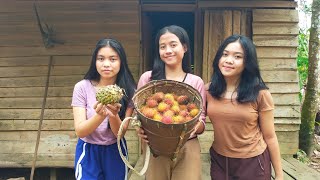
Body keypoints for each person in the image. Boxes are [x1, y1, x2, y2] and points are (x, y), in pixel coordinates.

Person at [206, 34, 283, 180]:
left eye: (237, 56)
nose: (229, 60)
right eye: (225, 54)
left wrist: (279, 174)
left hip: (253, 162)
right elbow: (191, 118)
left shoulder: (260, 94)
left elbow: (270, 136)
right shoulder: (208, 91)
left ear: (247, 62)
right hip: (220, 161)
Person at [136, 25, 206, 180]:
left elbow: (202, 121)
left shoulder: (195, 81)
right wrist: (140, 129)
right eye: (162, 47)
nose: (168, 50)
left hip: (187, 147)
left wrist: (191, 126)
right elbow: (138, 115)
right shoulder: (148, 79)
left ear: (185, 47)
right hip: (156, 148)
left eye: (173, 45)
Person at [71, 38, 136, 180]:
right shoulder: (82, 87)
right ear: (95, 61)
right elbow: (80, 131)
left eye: (113, 59)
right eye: (101, 59)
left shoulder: (129, 91)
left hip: (115, 149)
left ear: (121, 62)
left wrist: (113, 115)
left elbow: (120, 133)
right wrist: (99, 116)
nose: (106, 64)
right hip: (88, 150)